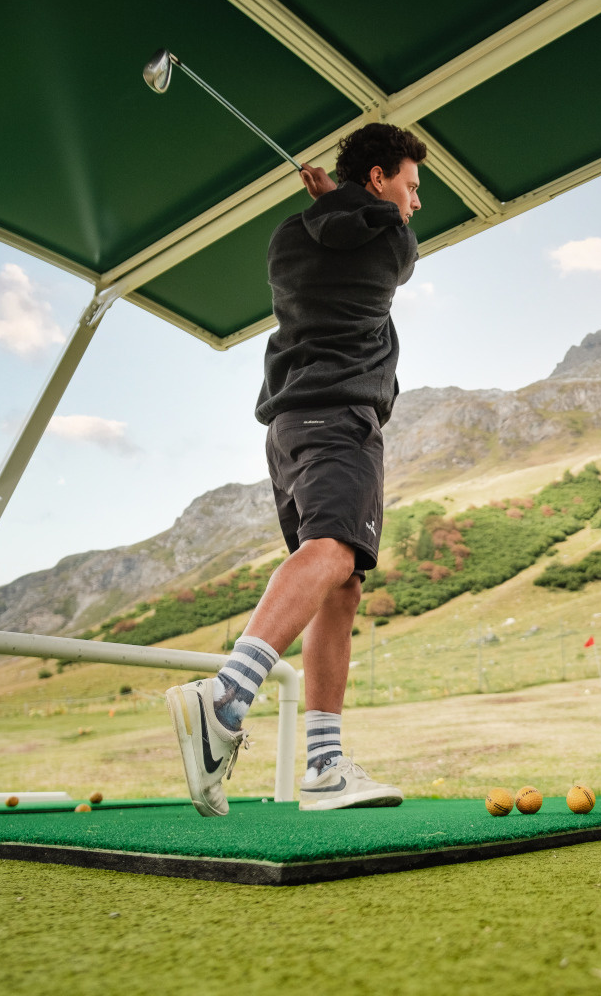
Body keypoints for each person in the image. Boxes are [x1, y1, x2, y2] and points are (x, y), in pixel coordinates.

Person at [168, 123, 424, 817]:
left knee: (339, 585)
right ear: (377, 180)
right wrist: (357, 202)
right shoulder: (394, 238)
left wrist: (332, 199)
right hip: (342, 418)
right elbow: (392, 249)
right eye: (410, 184)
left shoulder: (287, 238)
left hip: (287, 427)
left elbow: (333, 234)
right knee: (333, 552)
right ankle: (225, 699)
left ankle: (324, 765)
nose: (415, 202)